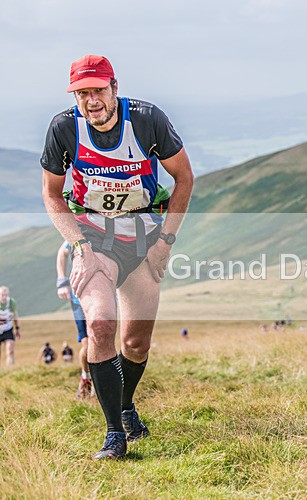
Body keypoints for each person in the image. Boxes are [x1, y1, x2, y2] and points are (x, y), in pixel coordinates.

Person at [41, 54, 194, 459]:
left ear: (114, 87)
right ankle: (115, 434)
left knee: (136, 342)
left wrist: (166, 241)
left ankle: (125, 405)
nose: (91, 100)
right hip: (94, 238)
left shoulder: (147, 120)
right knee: (102, 325)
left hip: (143, 238)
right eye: (82, 93)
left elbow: (184, 178)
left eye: (97, 90)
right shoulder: (63, 128)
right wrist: (79, 247)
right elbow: (52, 195)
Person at [56, 241, 93, 398]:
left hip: (104, 297)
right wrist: (62, 282)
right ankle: (86, 378)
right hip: (78, 299)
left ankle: (101, 385)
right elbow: (61, 254)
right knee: (87, 344)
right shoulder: (80, 230)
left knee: (102, 340)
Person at [0, 286, 20, 366]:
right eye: (2, 295)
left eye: (6, 295)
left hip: (7, 329)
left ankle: (10, 369)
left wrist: (17, 328)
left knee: (10, 350)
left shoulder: (11, 302)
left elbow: (15, 315)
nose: (4, 297)